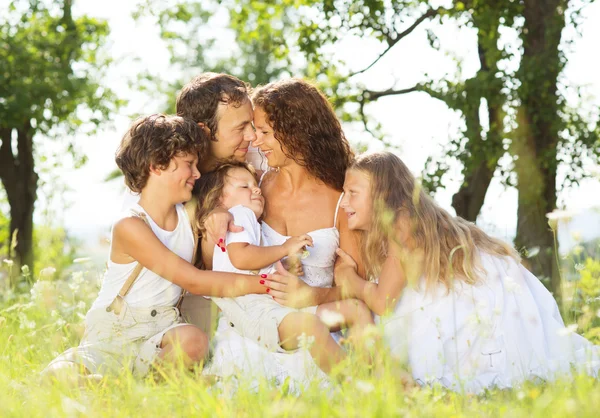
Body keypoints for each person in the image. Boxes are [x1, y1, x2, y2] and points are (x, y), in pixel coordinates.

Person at [43, 114, 287, 381]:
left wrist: (217, 211)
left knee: (194, 341)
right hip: (116, 331)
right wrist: (269, 283)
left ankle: (127, 390)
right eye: (189, 164)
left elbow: (214, 227)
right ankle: (107, 382)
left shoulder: (189, 214)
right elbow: (194, 281)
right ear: (156, 165)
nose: (196, 173)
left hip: (164, 329)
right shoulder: (130, 225)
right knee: (57, 376)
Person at [334, 151, 600, 392]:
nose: (344, 202)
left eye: (352, 193)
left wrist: (349, 279)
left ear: (382, 194)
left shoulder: (401, 225)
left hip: (483, 294)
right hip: (489, 284)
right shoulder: (411, 220)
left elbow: (384, 303)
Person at [204, 78, 366, 386]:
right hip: (251, 327)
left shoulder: (342, 198)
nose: (255, 140)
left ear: (297, 130)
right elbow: (217, 252)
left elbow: (356, 288)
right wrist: (216, 214)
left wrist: (310, 295)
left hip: (318, 327)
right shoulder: (255, 185)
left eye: (265, 131)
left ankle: (366, 388)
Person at [195, 161, 373, 373]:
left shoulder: (248, 221)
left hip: (274, 308)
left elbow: (251, 263)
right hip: (254, 309)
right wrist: (284, 248)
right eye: (244, 187)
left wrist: (285, 265)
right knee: (315, 326)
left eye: (255, 184)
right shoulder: (239, 214)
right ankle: (359, 382)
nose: (256, 189)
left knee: (355, 309)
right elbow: (241, 258)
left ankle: (376, 375)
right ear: (219, 200)